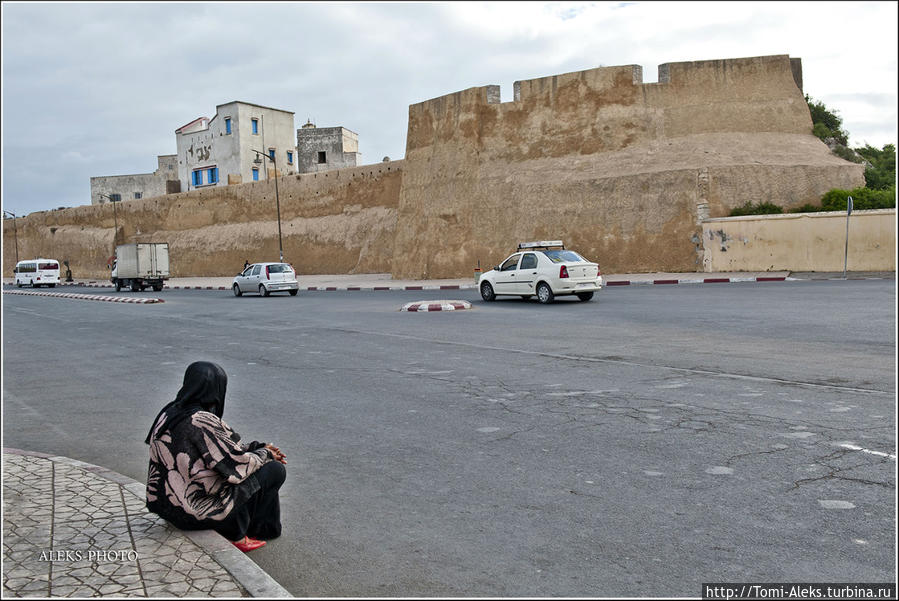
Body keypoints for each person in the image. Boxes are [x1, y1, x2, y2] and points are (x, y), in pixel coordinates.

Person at [144, 361, 287, 552]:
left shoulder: (171, 411)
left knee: (263, 462)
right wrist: (266, 454)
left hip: (166, 507)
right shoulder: (201, 420)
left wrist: (259, 449)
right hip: (193, 513)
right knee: (274, 470)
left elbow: (219, 450)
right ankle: (236, 533)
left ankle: (255, 528)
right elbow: (235, 466)